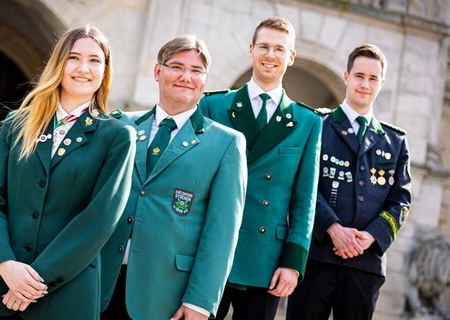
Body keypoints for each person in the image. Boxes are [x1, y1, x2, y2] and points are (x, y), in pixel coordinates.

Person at [0, 26, 136, 320]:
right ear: (59, 64)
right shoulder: (17, 125)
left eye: (95, 60)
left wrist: (32, 281)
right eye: (74, 57)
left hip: (64, 298)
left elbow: (99, 220)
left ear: (105, 71)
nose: (84, 68)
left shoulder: (118, 136)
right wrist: (5, 264)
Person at [99, 34, 248, 320]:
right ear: (158, 72)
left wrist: (201, 301)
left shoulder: (226, 143)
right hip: (99, 283)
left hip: (165, 295)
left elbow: (222, 232)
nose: (185, 77)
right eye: (177, 66)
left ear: (205, 80)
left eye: (196, 71)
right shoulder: (121, 125)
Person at [198, 16, 322, 320]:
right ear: (251, 49)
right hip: (210, 249)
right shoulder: (214, 107)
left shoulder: (308, 122)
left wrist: (294, 262)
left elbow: (304, 201)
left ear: (291, 57)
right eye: (264, 46)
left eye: (279, 49)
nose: (270, 55)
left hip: (266, 259)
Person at [286, 44, 412, 320]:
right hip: (316, 256)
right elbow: (301, 183)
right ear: (346, 76)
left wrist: (370, 237)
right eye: (359, 76)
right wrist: (332, 227)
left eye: (373, 78)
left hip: (365, 264)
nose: (365, 84)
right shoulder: (317, 125)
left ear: (382, 83)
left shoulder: (395, 142)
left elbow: (401, 201)